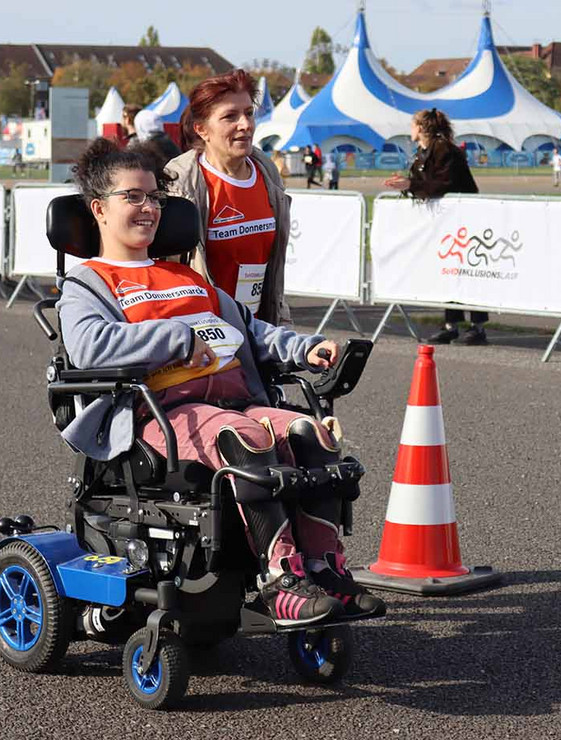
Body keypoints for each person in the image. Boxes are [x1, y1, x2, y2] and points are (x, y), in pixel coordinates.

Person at [58, 138, 384, 626]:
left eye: (154, 198)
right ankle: (281, 582)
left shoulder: (185, 275)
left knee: (309, 432)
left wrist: (304, 348)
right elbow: (90, 348)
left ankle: (324, 568)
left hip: (233, 402)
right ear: (99, 209)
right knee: (245, 437)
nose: (149, 208)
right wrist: (174, 336)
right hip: (158, 414)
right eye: (134, 197)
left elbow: (249, 332)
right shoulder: (89, 284)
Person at [165, 69, 294, 325]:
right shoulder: (180, 182)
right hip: (205, 333)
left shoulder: (267, 173)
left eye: (248, 113)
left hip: (260, 328)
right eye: (230, 117)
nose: (245, 125)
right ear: (201, 129)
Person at [383, 108, 486, 346]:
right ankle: (451, 324)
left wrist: (411, 184)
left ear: (421, 127)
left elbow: (443, 183)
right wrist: (406, 185)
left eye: (412, 125)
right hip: (445, 223)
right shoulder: (423, 152)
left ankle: (477, 326)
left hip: (464, 220)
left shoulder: (445, 150)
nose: (410, 129)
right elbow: (424, 183)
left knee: (468, 271)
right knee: (449, 272)